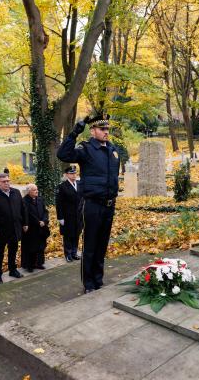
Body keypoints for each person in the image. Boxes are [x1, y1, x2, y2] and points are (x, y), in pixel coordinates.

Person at [57, 115, 120, 293]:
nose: (106, 132)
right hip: (92, 204)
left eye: (107, 129)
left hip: (109, 204)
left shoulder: (112, 150)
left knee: (102, 244)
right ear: (93, 131)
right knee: (91, 244)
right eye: (102, 129)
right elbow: (63, 154)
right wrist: (76, 130)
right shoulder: (86, 148)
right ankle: (89, 283)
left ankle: (98, 279)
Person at [0, 173, 27, 284]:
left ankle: (12, 270)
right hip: (1, 232)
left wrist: (25, 223)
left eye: (8, 181)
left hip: (15, 228)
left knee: (13, 250)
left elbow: (23, 209)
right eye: (4, 181)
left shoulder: (16, 192)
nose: (6, 183)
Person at [56, 166, 83, 262]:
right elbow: (59, 203)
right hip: (67, 216)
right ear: (67, 175)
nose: (74, 175)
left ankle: (74, 253)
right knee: (68, 235)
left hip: (78, 215)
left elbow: (82, 199)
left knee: (76, 234)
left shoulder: (79, 184)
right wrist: (60, 217)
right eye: (71, 173)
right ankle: (68, 254)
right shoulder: (62, 186)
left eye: (75, 173)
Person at [22, 184, 50, 272]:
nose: (37, 191)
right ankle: (29, 265)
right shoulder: (24, 201)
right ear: (29, 191)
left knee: (41, 246)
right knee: (31, 247)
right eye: (34, 190)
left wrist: (44, 221)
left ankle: (39, 263)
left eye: (37, 189)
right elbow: (26, 214)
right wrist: (38, 222)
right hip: (31, 228)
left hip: (41, 227)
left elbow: (45, 211)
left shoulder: (40, 199)